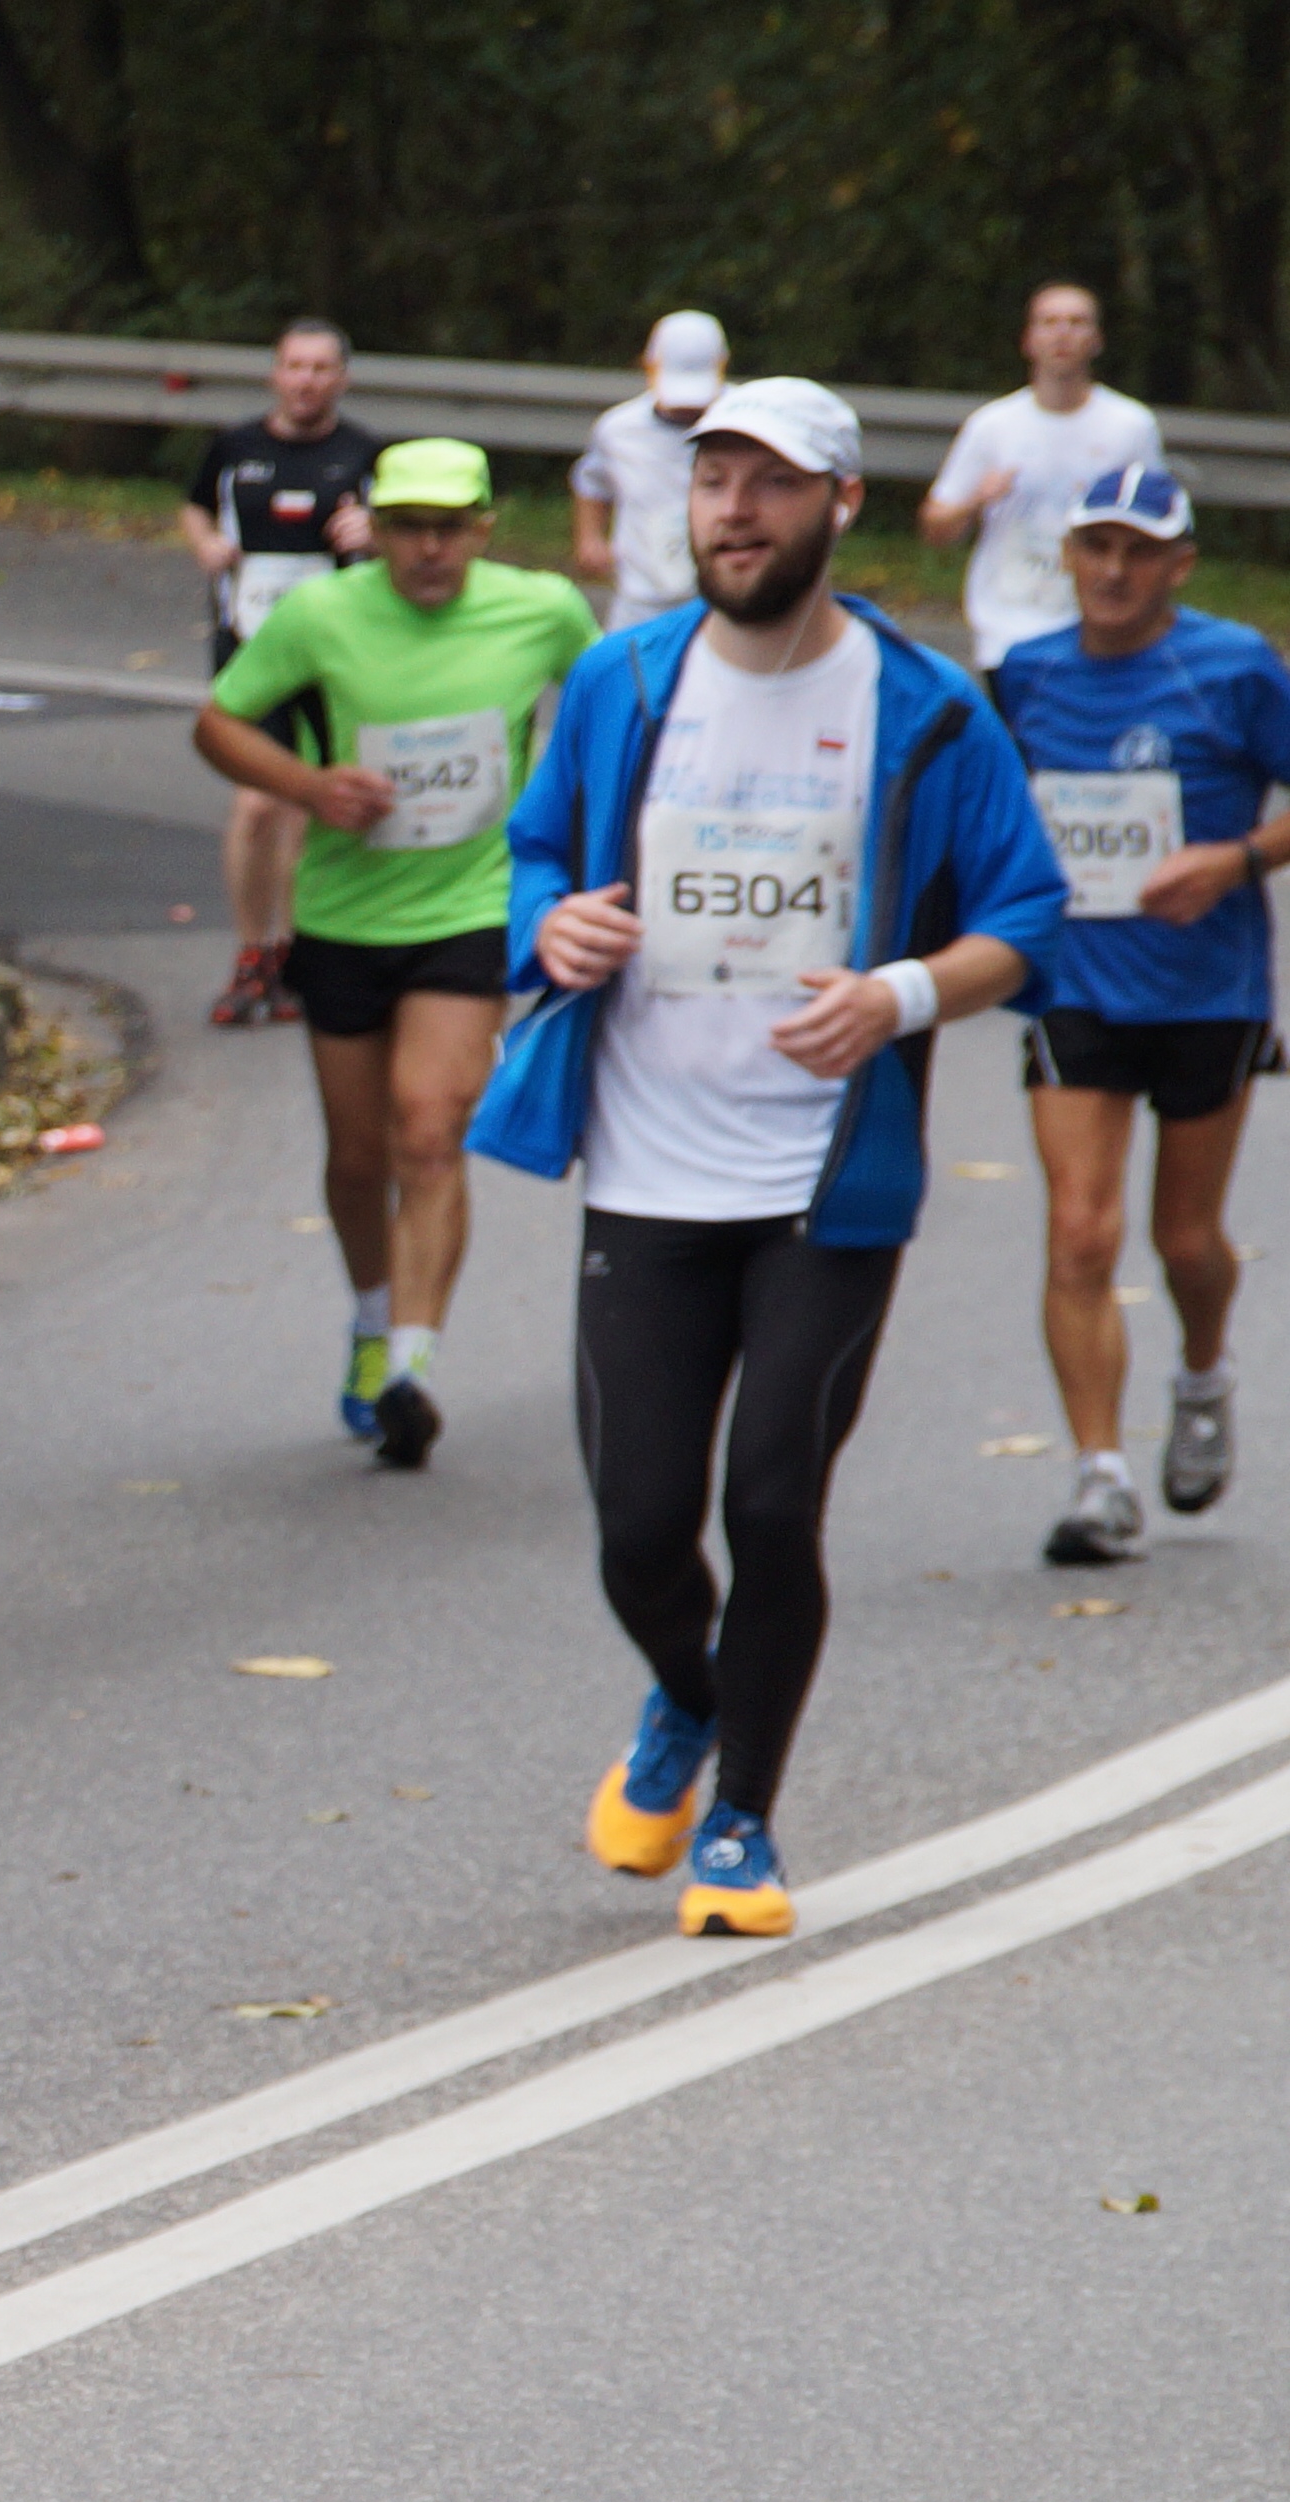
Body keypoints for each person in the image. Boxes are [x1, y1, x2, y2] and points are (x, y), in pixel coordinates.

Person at [474, 381, 1064, 1939]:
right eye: (711, 478)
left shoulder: (927, 707)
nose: (732, 509)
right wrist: (549, 922)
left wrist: (898, 994)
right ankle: (683, 1692)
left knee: (770, 1497)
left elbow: (1024, 911)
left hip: (823, 1181)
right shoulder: (619, 679)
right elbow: (534, 848)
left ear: (840, 506)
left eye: (769, 484)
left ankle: (738, 1816)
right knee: (635, 1528)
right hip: (643, 1173)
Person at [191, 436, 598, 1469]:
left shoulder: (541, 609)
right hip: (339, 915)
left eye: (447, 529)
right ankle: (371, 1321)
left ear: (480, 529)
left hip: (471, 908)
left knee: (428, 1130)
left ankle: (411, 1364)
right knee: (355, 1155)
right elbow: (217, 724)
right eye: (407, 528)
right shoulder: (317, 616)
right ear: (372, 529)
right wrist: (308, 787)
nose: (427, 549)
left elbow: (607, 713)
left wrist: (565, 824)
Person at [983, 462, 1290, 1562]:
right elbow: (987, 807)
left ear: (1177, 564)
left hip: (1207, 987)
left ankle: (1201, 1371)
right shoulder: (1022, 675)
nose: (1111, 572)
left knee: (1182, 1238)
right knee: (1077, 1230)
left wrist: (1231, 858)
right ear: (1065, 557)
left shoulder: (1230, 668)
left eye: (1136, 551)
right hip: (1074, 985)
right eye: (1093, 548)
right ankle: (1098, 1478)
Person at [179, 321, 383, 1028]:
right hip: (250, 644)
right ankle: (249, 950)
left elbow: (401, 534)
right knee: (256, 802)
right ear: (274, 373)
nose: (306, 380)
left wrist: (372, 534)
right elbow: (194, 504)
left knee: (307, 798)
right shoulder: (236, 448)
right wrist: (206, 543)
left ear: (341, 378)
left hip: (331, 652)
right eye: (294, 366)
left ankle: (296, 952)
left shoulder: (361, 454)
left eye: (321, 368)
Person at [919, 282, 1163, 673]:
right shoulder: (992, 425)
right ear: (1029, 340)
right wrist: (976, 499)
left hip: (1095, 629)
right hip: (1006, 629)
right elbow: (935, 529)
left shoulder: (1130, 426)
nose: (1063, 333)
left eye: (1077, 322)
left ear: (1097, 340)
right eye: (1049, 322)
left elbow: (1159, 529)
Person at [569, 311, 728, 630]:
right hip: (642, 601)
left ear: (722, 366)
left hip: (722, 600)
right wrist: (590, 537)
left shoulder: (746, 423)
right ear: (648, 366)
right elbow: (591, 482)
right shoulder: (619, 429)